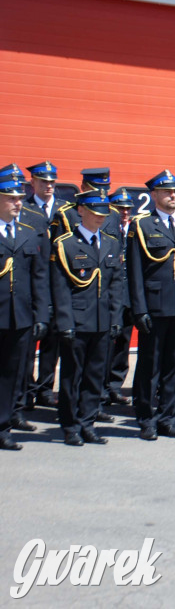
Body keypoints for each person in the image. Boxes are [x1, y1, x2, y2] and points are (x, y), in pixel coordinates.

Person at [126, 171, 175, 441]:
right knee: (150, 364)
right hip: (155, 305)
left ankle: (168, 418)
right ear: (155, 195)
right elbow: (135, 271)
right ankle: (146, 418)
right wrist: (139, 308)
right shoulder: (141, 225)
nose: (174, 196)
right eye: (168, 192)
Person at [50, 190, 124, 446]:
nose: (100, 217)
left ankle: (88, 423)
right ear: (81, 211)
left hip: (102, 322)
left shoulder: (111, 244)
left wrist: (116, 318)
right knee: (72, 376)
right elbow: (60, 288)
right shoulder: (65, 244)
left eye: (103, 213)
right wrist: (65, 322)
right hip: (77, 321)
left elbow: (116, 285)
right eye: (94, 212)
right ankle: (70, 426)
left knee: (95, 376)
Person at [0, 173, 49, 451]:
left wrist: (41, 315)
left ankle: (3, 427)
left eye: (19, 198)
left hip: (19, 317)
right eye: (11, 198)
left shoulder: (28, 233)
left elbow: (39, 278)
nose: (18, 203)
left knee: (11, 374)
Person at [18, 161, 58, 412]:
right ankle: (26, 389)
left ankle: (45, 389)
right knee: (27, 344)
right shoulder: (24, 209)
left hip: (58, 282)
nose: (49, 186)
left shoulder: (65, 209)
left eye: (52, 182)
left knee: (52, 342)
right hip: (33, 283)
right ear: (32, 183)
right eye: (44, 182)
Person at [104, 187, 135, 407]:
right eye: (120, 208)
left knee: (123, 343)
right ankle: (101, 387)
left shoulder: (134, 229)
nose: (124, 212)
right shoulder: (107, 229)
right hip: (111, 296)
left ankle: (115, 386)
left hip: (129, 295)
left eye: (127, 209)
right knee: (106, 344)